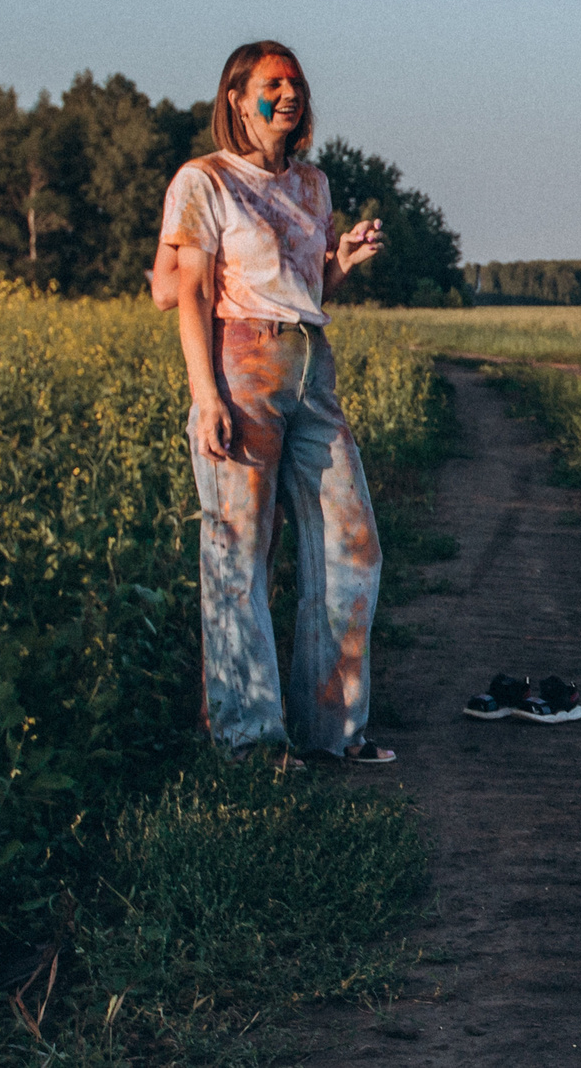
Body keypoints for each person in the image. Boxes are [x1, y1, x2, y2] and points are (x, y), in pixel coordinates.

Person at [162, 39, 395, 764]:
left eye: (295, 84)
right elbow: (192, 292)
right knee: (239, 551)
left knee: (351, 545)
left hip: (310, 366)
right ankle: (249, 739)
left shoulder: (314, 184)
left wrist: (342, 262)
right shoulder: (204, 181)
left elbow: (310, 285)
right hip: (240, 362)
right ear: (236, 96)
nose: (288, 96)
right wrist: (206, 396)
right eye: (272, 85)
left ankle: (333, 730)